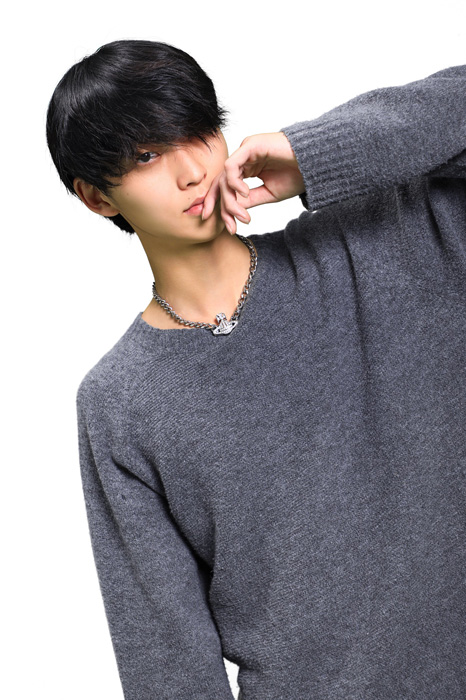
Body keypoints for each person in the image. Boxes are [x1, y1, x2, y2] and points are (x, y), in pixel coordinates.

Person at [46, 39, 466, 700]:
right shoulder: (120, 400)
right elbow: (167, 661)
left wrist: (319, 153)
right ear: (97, 197)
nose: (191, 170)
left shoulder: (378, 241)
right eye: (147, 156)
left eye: (198, 132)